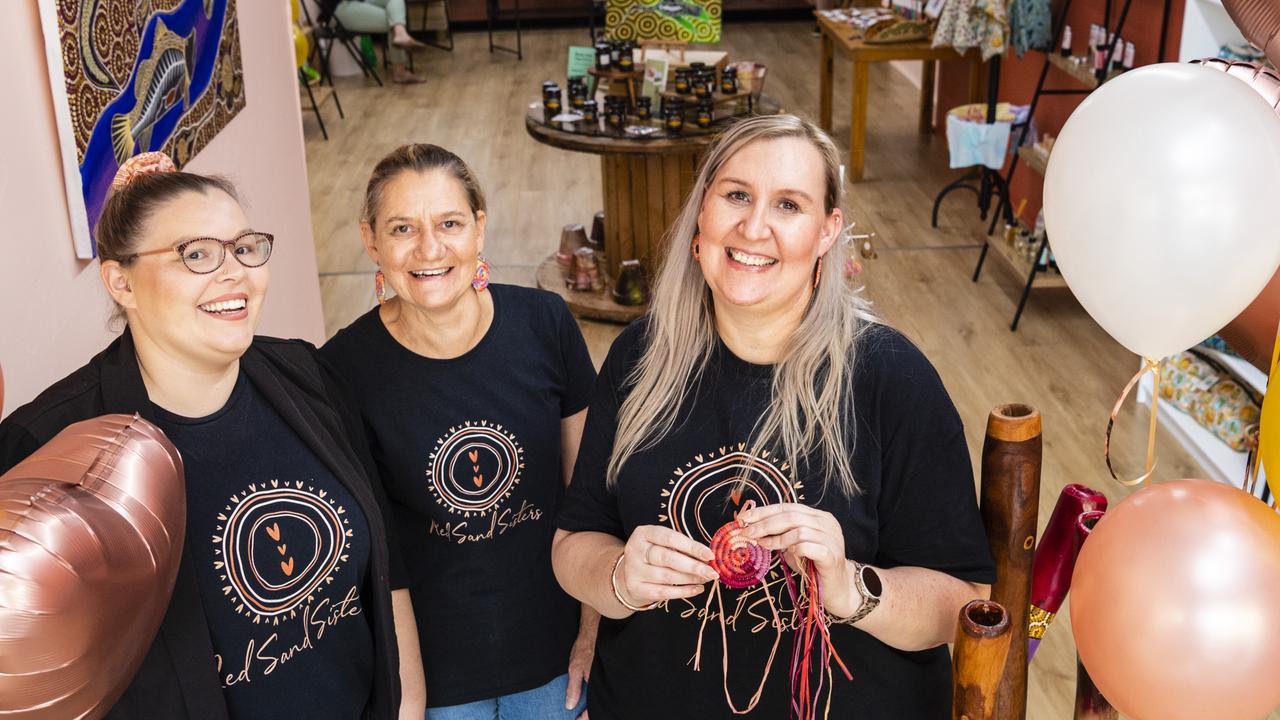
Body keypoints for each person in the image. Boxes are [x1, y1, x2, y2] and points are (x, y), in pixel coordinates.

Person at [551, 115, 996, 718]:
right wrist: (620, 579)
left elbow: (966, 601)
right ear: (701, 217)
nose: (754, 227)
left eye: (788, 205)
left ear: (826, 232)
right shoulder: (641, 355)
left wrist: (849, 588)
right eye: (736, 195)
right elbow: (573, 543)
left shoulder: (892, 378)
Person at [0, 153, 425, 720]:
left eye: (245, 247)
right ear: (120, 280)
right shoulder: (47, 447)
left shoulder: (308, 377)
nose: (235, 273)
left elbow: (386, 561)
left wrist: (409, 704)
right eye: (196, 254)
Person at [321, 144, 600, 719]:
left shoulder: (546, 325)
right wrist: (410, 696)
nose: (429, 248)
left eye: (449, 223)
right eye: (403, 228)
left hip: (555, 656)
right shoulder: (342, 370)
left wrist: (594, 634)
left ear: (479, 229)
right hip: (437, 677)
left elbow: (593, 496)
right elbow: (377, 554)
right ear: (371, 240)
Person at [330, 0, 426, 84]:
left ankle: (400, 34)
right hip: (339, 7)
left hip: (358, 1)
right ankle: (400, 72)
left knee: (395, 15)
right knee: (393, 19)